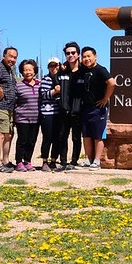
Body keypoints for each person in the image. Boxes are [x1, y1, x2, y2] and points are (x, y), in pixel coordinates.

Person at [78, 46, 116, 170]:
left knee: (98, 135)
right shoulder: (83, 70)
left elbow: (112, 82)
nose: (86, 59)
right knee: (86, 135)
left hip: (98, 108)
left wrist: (106, 98)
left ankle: (97, 161)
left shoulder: (100, 70)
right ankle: (88, 159)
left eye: (89, 56)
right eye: (84, 57)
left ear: (95, 56)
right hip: (85, 107)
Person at [50, 41, 84, 171]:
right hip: (64, 111)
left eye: (73, 53)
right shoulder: (62, 71)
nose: (70, 55)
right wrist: (60, 102)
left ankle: (74, 161)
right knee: (62, 136)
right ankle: (63, 162)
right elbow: (56, 86)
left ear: (78, 54)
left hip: (78, 111)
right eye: (68, 53)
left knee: (76, 137)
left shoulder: (83, 71)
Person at [13, 58, 41, 171]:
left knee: (31, 141)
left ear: (34, 71)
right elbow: (14, 102)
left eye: (30, 70)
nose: (28, 72)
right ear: (22, 72)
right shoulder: (18, 86)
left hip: (36, 119)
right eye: (25, 70)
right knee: (22, 141)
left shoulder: (40, 84)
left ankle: (28, 161)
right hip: (22, 118)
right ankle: (19, 162)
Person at [38, 57, 64, 171]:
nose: (54, 68)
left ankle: (54, 160)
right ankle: (44, 161)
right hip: (47, 113)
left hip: (59, 112)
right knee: (47, 137)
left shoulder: (62, 78)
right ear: (48, 67)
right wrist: (55, 91)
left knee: (57, 138)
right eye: (51, 66)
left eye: (56, 65)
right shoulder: (45, 79)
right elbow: (44, 95)